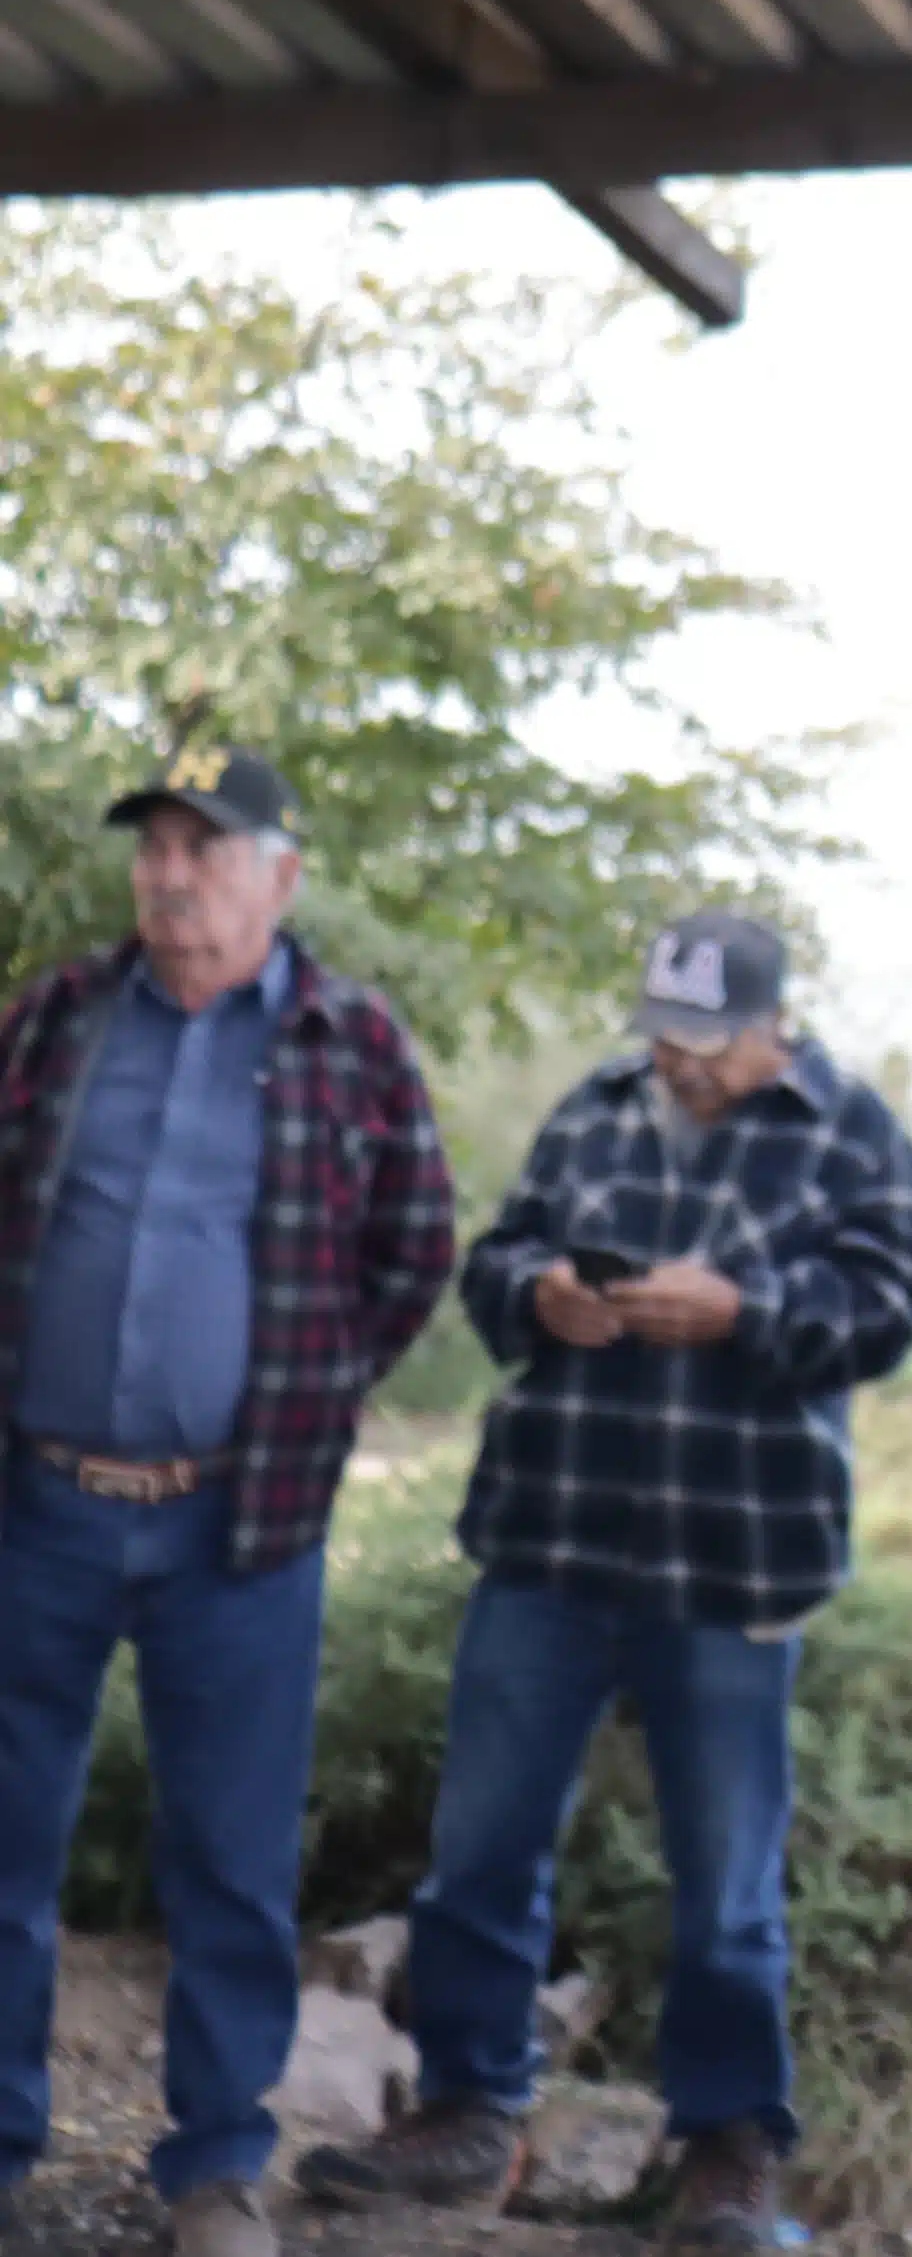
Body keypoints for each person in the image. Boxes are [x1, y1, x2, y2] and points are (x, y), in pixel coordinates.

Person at [298, 910, 912, 2250]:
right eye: (663, 1035)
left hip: (733, 1563)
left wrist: (740, 1313)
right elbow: (499, 1256)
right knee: (479, 1847)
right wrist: (541, 1297)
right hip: (552, 1535)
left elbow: (888, 1309)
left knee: (726, 1880)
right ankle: (469, 2109)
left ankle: (725, 2150)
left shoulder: (854, 1130)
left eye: (705, 1043)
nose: (679, 1063)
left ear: (773, 1028)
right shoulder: (594, 1107)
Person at [0, 751, 454, 2257]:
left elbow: (411, 1250)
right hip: (40, 1504)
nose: (172, 876)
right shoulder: (63, 1018)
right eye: (155, 851)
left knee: (234, 1861)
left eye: (208, 849)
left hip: (238, 1527)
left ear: (281, 876)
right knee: (6, 1837)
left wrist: (302, 1402)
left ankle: (213, 2167)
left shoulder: (352, 1039)